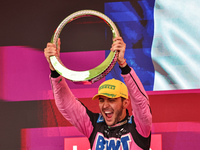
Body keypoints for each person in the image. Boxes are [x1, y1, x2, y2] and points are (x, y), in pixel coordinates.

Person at [44, 37, 152, 150]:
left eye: (111, 99)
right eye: (101, 100)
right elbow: (66, 105)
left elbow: (141, 102)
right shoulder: (94, 124)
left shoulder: (139, 127)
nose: (105, 105)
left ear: (125, 103)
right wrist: (55, 70)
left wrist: (123, 66)